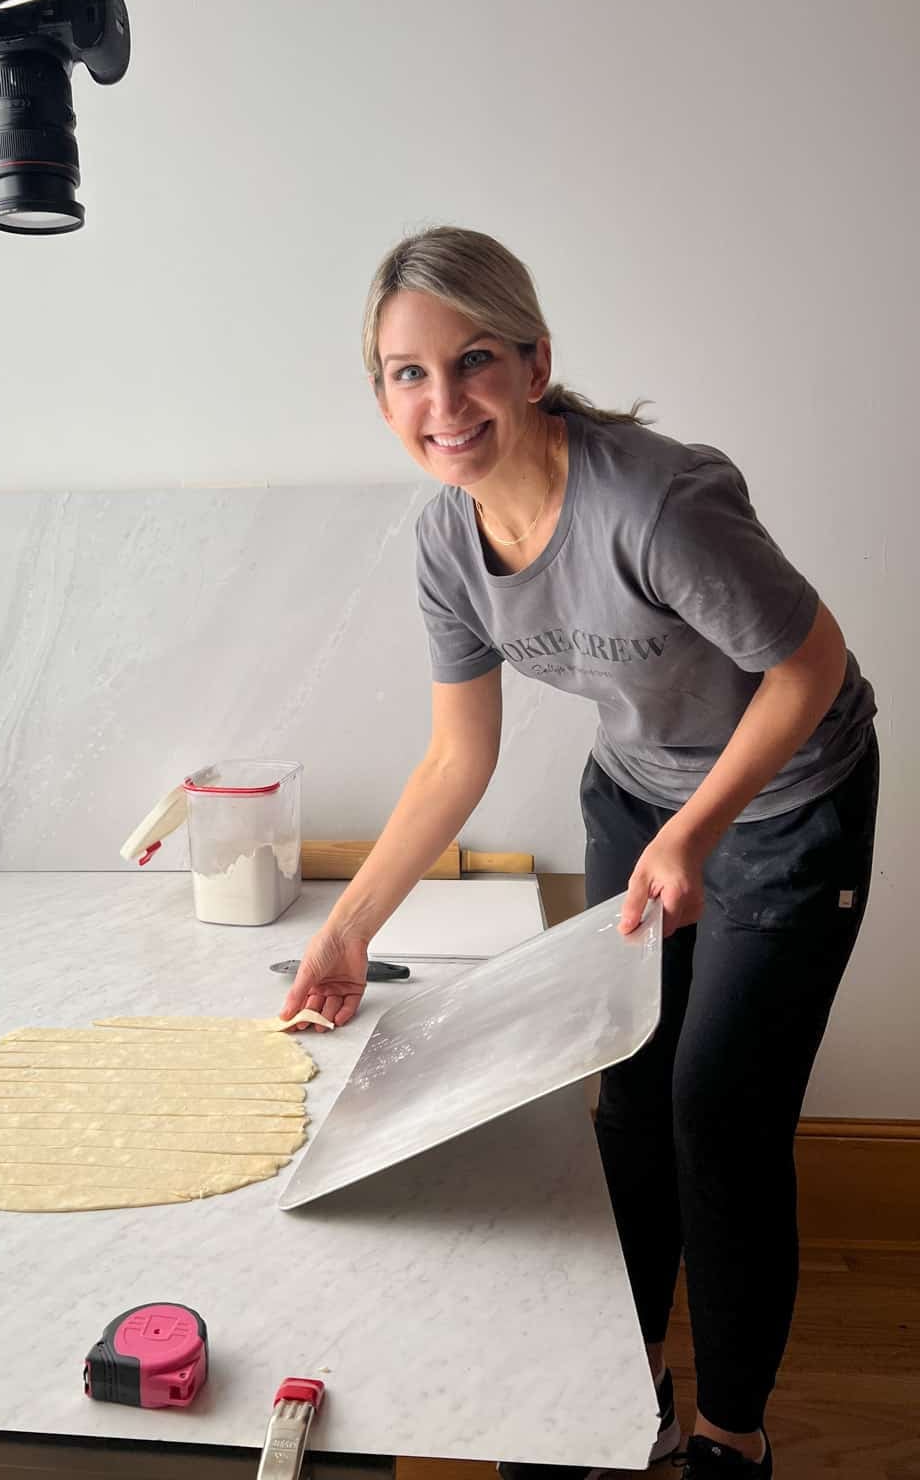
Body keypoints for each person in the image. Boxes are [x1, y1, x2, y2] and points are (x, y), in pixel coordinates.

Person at [279, 227, 879, 1479]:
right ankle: (620, 1389)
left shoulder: (655, 503)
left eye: (474, 360)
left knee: (719, 1111)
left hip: (788, 802)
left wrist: (698, 831)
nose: (443, 404)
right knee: (628, 1092)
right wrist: (351, 926)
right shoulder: (450, 541)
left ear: (537, 361)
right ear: (380, 391)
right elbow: (458, 756)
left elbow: (811, 669)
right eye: (406, 373)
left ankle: (731, 1431)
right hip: (642, 798)